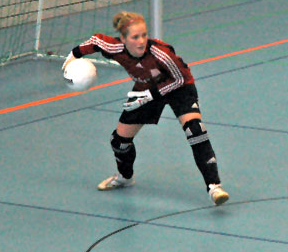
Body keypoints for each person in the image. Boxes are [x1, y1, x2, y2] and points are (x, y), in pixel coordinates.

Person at [63, 11, 229, 205]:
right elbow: (95, 42)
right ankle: (125, 177)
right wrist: (71, 58)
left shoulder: (161, 54)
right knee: (119, 142)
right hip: (147, 86)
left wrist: (149, 96)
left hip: (179, 87)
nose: (141, 41)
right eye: (135, 37)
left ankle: (214, 187)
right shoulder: (115, 47)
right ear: (123, 39)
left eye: (144, 35)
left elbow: (179, 79)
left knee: (195, 130)